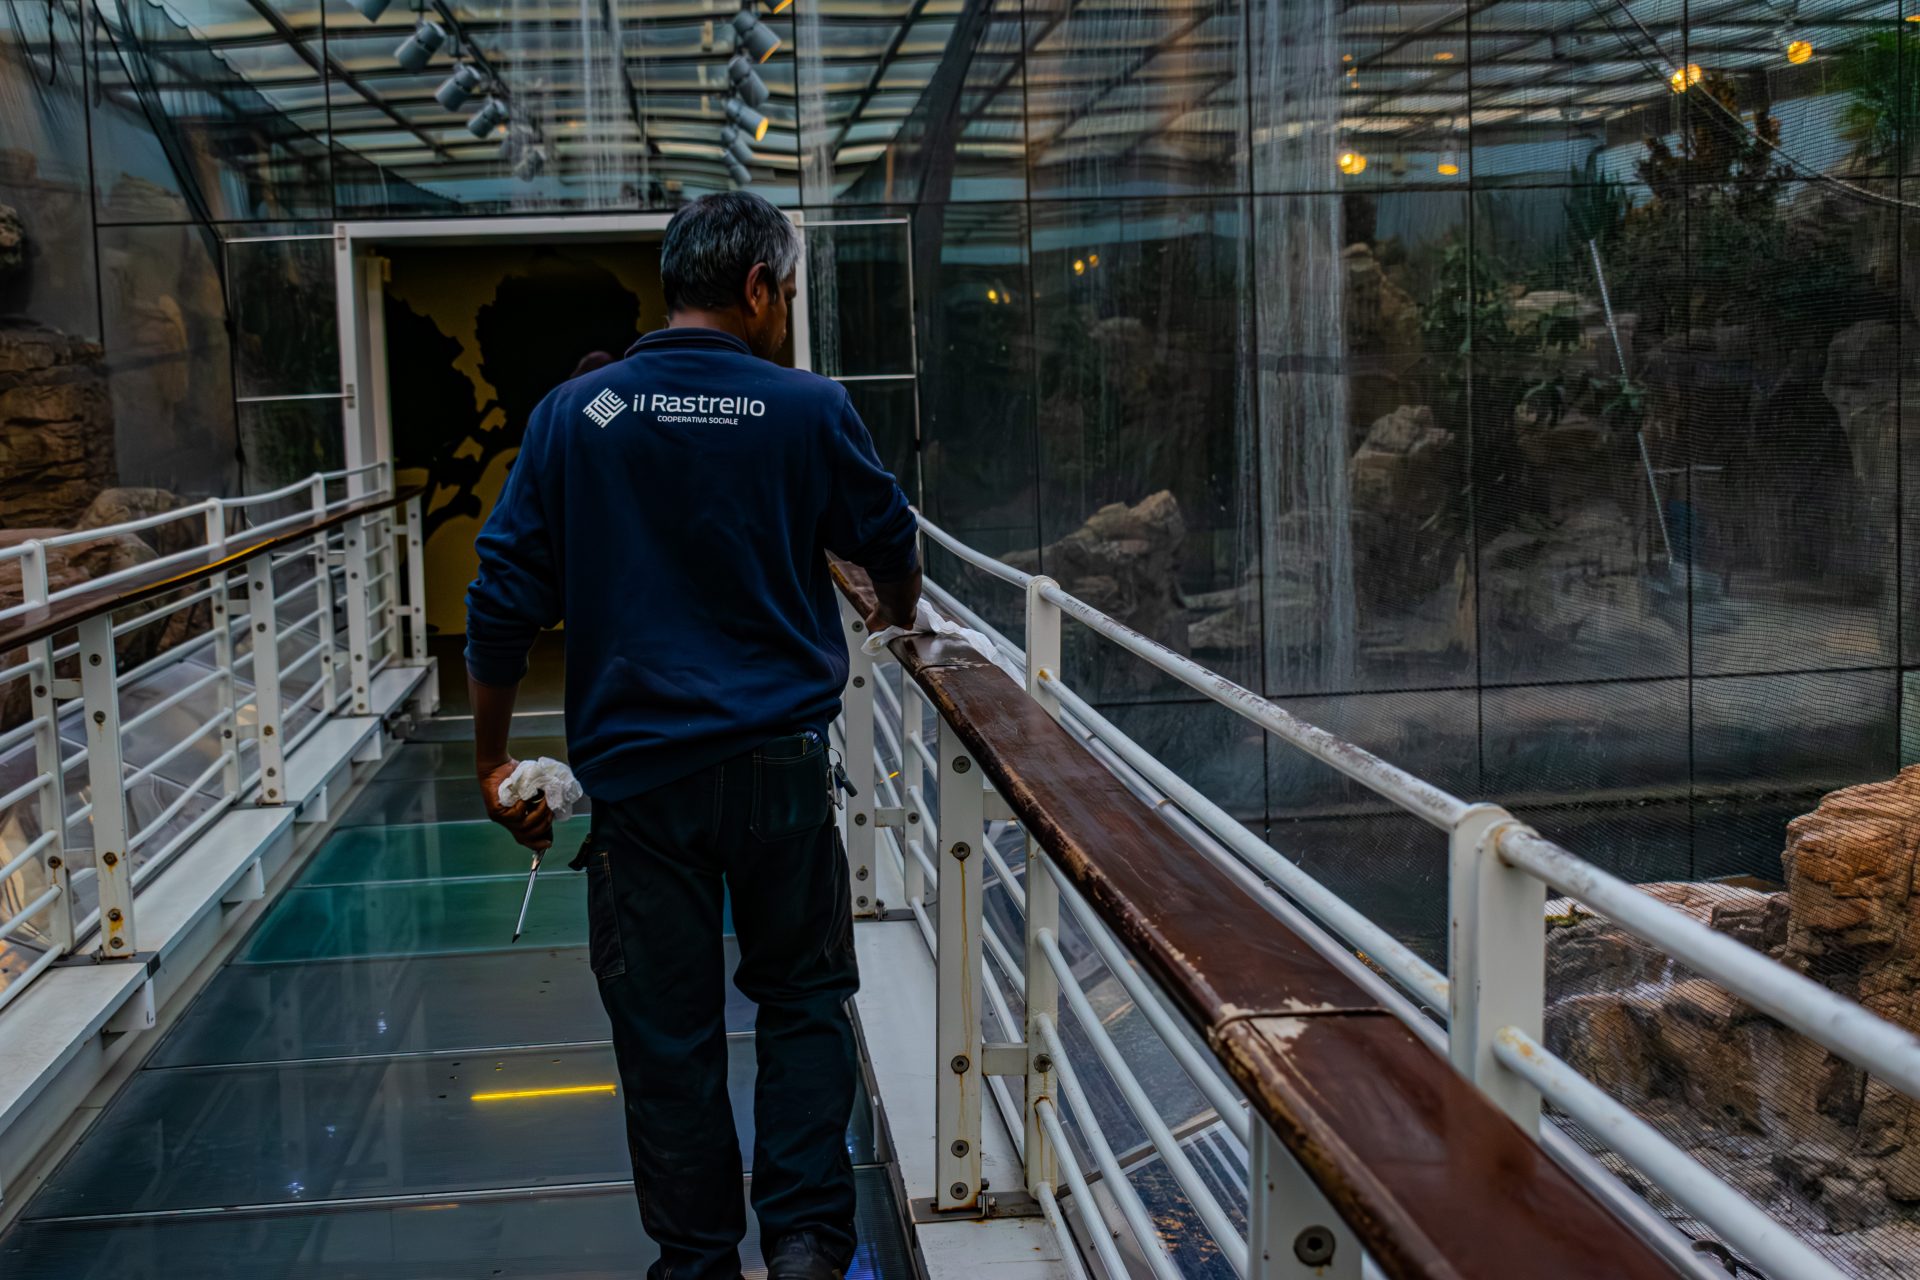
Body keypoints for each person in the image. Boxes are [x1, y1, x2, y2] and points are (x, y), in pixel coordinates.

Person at [462, 191, 921, 1280]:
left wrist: (490, 759)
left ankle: (699, 1258)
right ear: (759, 289)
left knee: (668, 1035)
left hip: (642, 790)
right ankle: (808, 1244)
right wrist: (896, 615)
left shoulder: (579, 415)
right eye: (789, 294)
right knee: (803, 1000)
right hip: (778, 770)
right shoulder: (809, 408)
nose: (786, 312)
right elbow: (890, 540)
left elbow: (497, 600)